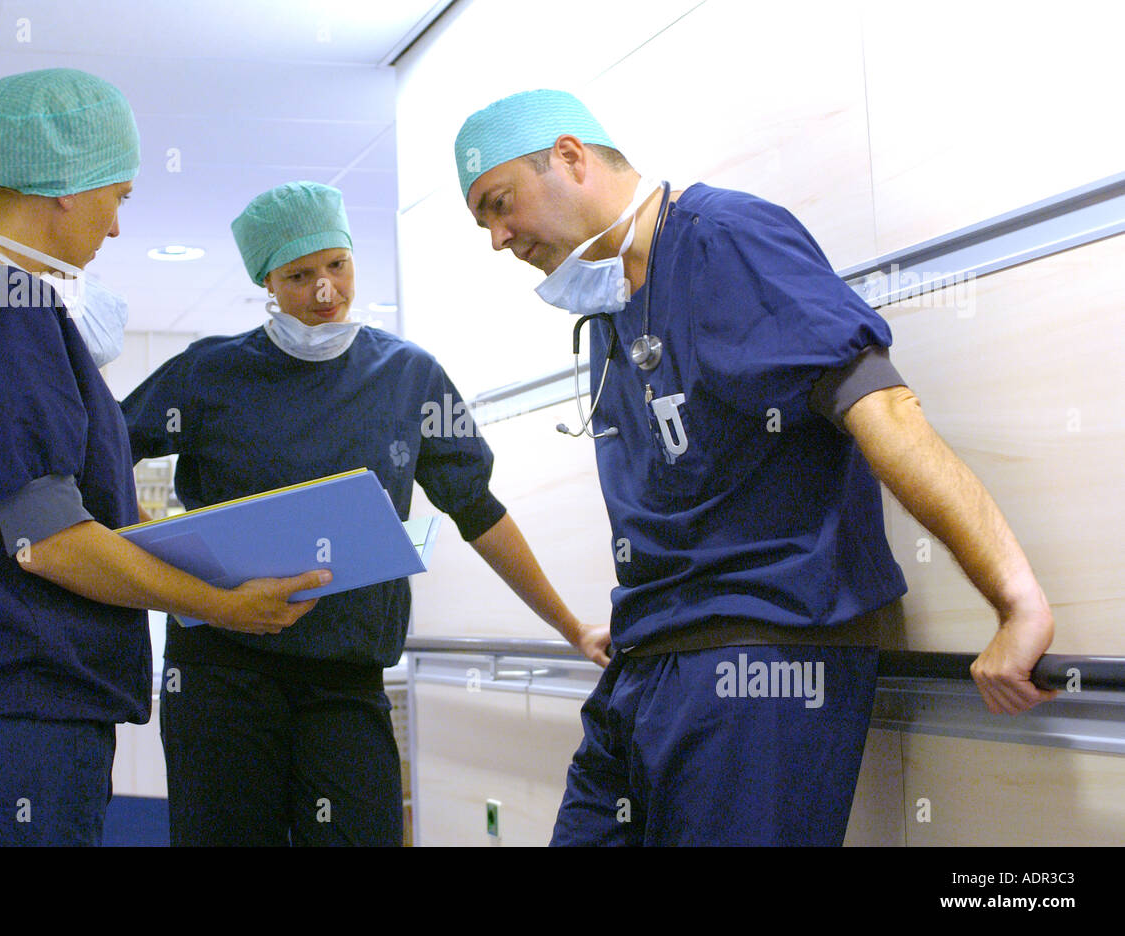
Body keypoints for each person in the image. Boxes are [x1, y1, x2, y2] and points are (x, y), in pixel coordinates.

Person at [452, 88, 1058, 846]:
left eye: (500, 204)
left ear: (570, 157)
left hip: (760, 659)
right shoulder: (608, 308)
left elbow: (888, 413)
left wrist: (1016, 598)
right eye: (482, 222)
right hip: (649, 663)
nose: (499, 238)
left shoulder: (726, 241)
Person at [0, 68, 327, 847]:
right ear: (67, 187)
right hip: (8, 702)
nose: (115, 228)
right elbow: (47, 540)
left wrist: (203, 548)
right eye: (120, 197)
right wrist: (220, 605)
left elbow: (59, 510)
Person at [121, 180, 608, 846]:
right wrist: (150, 541)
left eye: (336, 266)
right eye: (299, 275)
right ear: (267, 281)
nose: (324, 290)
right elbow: (98, 456)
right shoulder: (211, 374)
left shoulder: (408, 377)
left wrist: (571, 626)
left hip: (345, 679)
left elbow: (478, 509)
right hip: (220, 674)